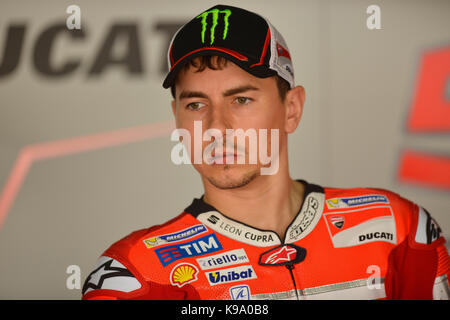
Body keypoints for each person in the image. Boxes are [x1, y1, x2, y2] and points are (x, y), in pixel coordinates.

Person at [81, 4, 449, 300]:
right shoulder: (136, 275)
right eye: (195, 104)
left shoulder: (397, 230)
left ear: (292, 108)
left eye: (241, 100)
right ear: (176, 117)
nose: (216, 128)